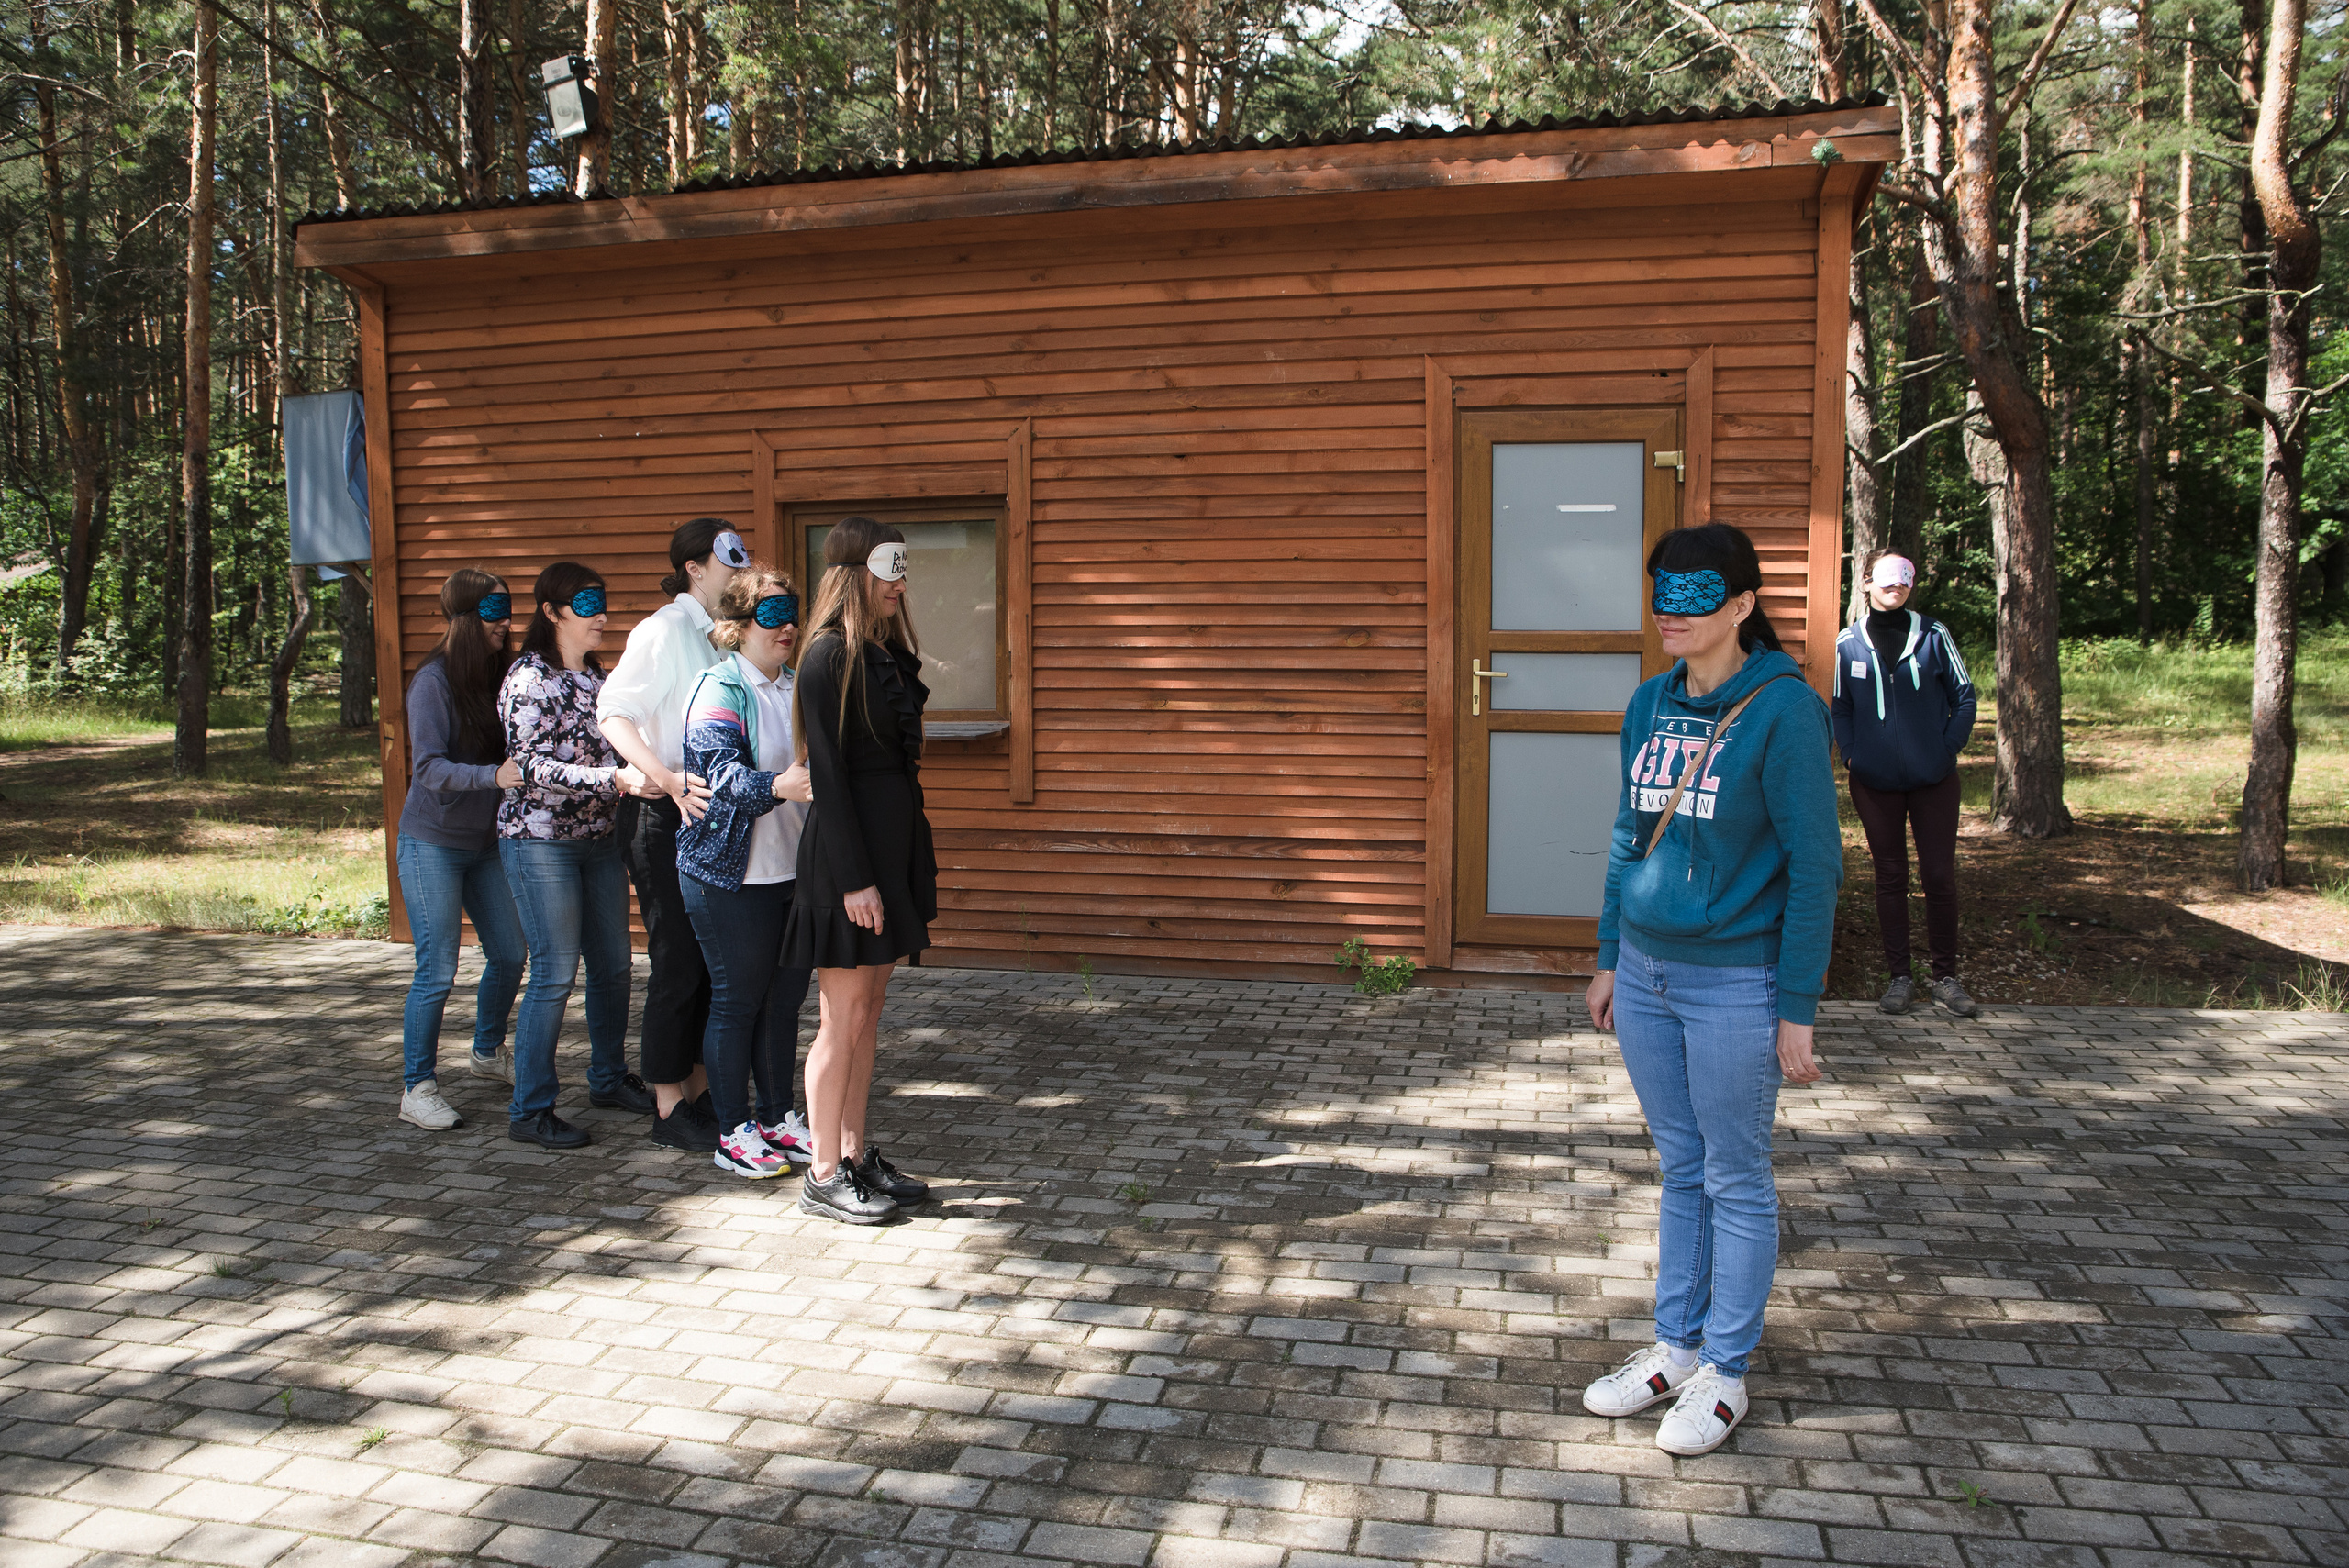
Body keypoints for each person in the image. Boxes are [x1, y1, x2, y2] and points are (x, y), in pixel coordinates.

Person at [1581, 521, 1841, 1457]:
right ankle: (1675, 1347)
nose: (1670, 617)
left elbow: (1816, 867)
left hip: (1735, 978)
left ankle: (1725, 1367)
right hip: (1645, 971)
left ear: (1740, 605)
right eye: (1661, 597)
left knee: (1734, 1173)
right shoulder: (1649, 702)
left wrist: (1796, 1006)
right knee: (1679, 1163)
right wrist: (1610, 953)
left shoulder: (1783, 711)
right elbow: (1625, 831)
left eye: (1693, 600)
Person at [782, 517, 937, 1224]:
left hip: (889, 853)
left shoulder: (882, 653)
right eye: (889, 571)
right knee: (840, 1020)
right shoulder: (825, 658)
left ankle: (851, 1151)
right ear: (855, 574)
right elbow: (832, 778)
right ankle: (821, 1172)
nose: (900, 584)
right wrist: (854, 880)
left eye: (903, 571)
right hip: (848, 864)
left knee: (869, 1015)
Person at [498, 561, 653, 1149]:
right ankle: (530, 1110)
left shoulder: (598, 679)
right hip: (540, 843)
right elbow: (529, 766)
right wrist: (613, 780)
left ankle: (609, 1079)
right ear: (551, 611)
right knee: (555, 973)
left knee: (614, 966)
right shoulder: (527, 679)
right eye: (586, 605)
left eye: (603, 603)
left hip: (599, 843)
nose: (601, 616)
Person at [677, 566, 820, 1178]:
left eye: (793, 613)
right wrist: (780, 785)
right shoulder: (718, 688)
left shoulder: (796, 687)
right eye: (772, 614)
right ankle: (732, 1128)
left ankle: (777, 1115)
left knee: (784, 1002)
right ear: (738, 624)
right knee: (738, 1001)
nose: (787, 625)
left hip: (792, 874)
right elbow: (721, 776)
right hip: (727, 877)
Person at [598, 517, 735, 1150]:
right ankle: (667, 1104)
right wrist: (661, 777)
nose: (740, 566)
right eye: (727, 556)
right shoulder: (660, 630)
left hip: (705, 810)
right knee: (676, 957)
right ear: (694, 567)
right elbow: (614, 711)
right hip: (661, 815)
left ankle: (702, 1091)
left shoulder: (718, 636)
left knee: (709, 958)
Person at [394, 566, 528, 1131]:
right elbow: (427, 768)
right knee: (437, 969)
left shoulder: (495, 674)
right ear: (467, 617)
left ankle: (485, 1052)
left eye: (509, 610)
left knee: (510, 952)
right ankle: (417, 1086)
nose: (506, 623)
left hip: (487, 843)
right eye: (496, 612)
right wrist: (494, 778)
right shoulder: (434, 680)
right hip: (434, 843)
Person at [1832, 550, 1981, 1018]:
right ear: (1867, 583)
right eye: (1887, 579)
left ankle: (1946, 978)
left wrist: (1945, 750)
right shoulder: (1847, 643)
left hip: (1934, 779)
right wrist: (1854, 755)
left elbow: (1965, 698)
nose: (1895, 586)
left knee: (1938, 877)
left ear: (1911, 584)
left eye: (1904, 580)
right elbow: (1841, 707)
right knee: (1890, 877)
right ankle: (1900, 978)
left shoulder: (1933, 635)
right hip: (1874, 783)